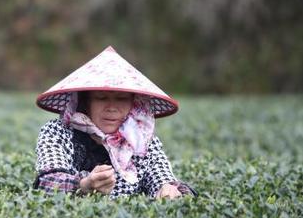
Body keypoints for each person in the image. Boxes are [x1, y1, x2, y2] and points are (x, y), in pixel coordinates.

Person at [33, 46, 196, 199]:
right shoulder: (57, 132)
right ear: (85, 102)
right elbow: (47, 182)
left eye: (121, 99)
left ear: (134, 104)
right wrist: (84, 185)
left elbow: (162, 179)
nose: (112, 108)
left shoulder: (141, 142)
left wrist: (169, 190)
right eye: (101, 98)